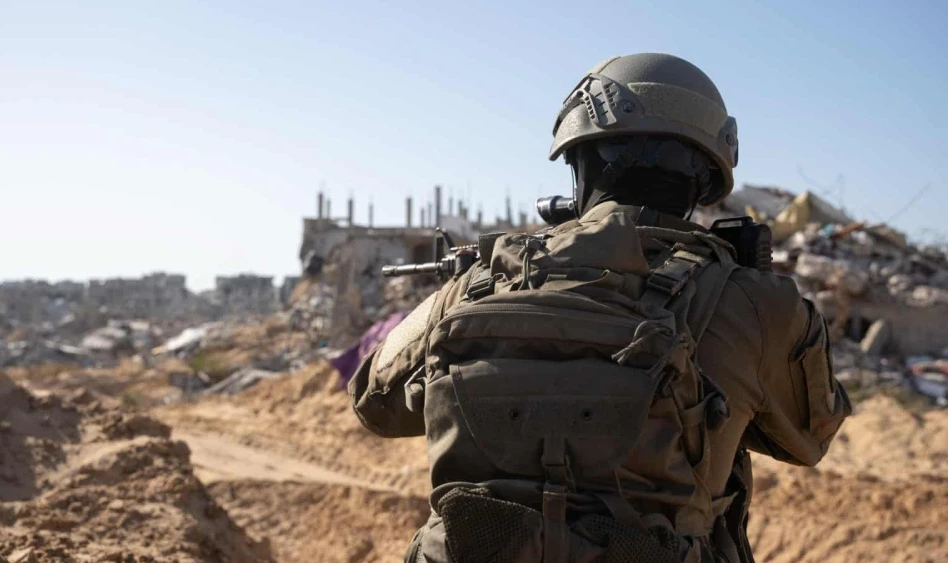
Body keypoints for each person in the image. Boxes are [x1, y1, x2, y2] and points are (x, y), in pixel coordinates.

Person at [348, 53, 851, 563]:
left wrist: (459, 290)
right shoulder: (754, 303)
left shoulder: (483, 281)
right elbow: (808, 438)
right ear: (705, 177)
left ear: (579, 162)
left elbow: (373, 402)